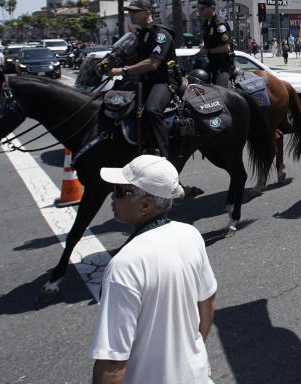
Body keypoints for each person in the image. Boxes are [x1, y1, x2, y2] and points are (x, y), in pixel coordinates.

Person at [90, 155, 216, 384]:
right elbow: (208, 301)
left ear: (146, 204)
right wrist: (193, 353)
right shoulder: (190, 234)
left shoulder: (124, 265)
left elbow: (111, 364)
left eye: (120, 191)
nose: (112, 196)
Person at [104, 0, 178, 159]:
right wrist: (109, 60)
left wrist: (122, 70)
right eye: (130, 12)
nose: (131, 15)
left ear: (147, 12)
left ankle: (163, 155)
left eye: (135, 12)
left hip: (164, 82)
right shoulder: (140, 34)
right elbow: (131, 56)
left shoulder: (160, 34)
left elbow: (152, 63)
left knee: (152, 109)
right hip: (145, 81)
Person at [196, 0, 234, 88]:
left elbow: (226, 48)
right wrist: (196, 54)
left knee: (220, 91)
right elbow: (207, 44)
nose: (200, 11)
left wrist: (208, 51)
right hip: (212, 64)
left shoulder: (219, 24)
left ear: (212, 8)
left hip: (223, 65)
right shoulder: (206, 24)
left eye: (202, 9)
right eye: (199, 9)